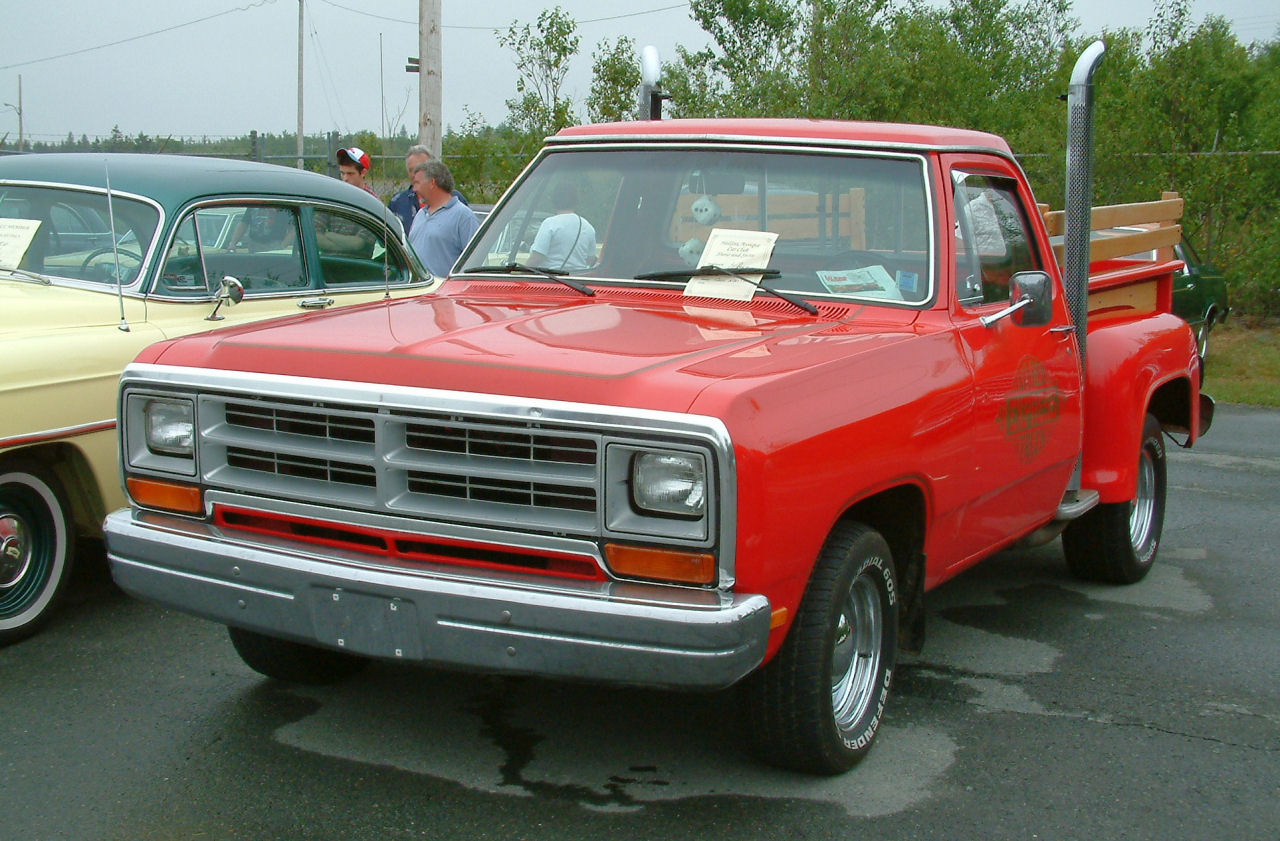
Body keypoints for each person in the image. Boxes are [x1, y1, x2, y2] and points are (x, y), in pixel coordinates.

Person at [407, 160, 479, 277]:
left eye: (417, 183)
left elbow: (475, 263)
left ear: (432, 183)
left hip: (445, 293)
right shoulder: (420, 214)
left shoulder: (463, 216)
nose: (414, 189)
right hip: (417, 292)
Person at [389, 144, 469, 236]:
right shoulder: (397, 202)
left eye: (420, 169)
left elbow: (471, 243)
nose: (415, 174)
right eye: (411, 170)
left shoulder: (455, 200)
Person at [529, 183, 597, 272]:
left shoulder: (549, 223)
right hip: (578, 281)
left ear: (554, 201)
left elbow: (537, 258)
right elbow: (590, 259)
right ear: (575, 202)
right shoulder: (588, 227)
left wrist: (520, 274)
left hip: (552, 280)